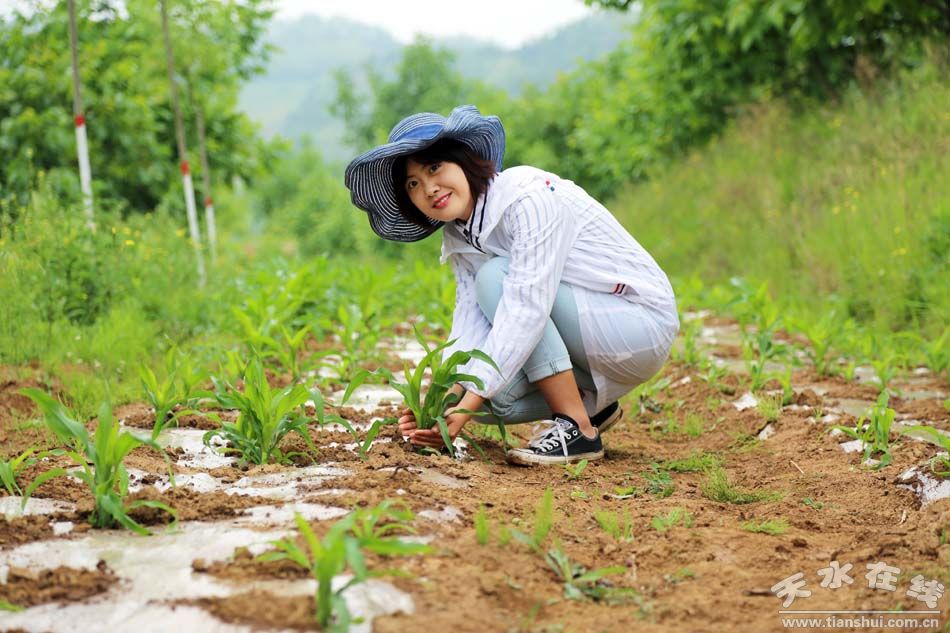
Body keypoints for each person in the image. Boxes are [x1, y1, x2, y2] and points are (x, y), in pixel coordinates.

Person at [344, 105, 678, 465]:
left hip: (636, 323)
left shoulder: (527, 198)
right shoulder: (461, 235)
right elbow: (471, 325)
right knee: (489, 402)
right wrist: (440, 405)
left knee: (494, 282)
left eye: (434, 167)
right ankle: (591, 408)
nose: (429, 188)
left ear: (463, 159)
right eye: (413, 184)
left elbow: (526, 308)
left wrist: (467, 401)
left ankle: (578, 428)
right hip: (592, 338)